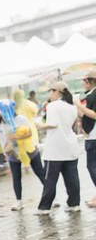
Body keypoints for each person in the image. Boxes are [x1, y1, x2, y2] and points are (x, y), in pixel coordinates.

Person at [35, 81, 81, 212]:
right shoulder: (72, 106)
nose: (50, 94)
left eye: (51, 91)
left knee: (50, 179)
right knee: (72, 178)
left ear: (57, 92)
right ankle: (74, 204)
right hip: (70, 146)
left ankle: (44, 207)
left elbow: (52, 124)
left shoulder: (53, 106)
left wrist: (39, 125)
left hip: (55, 148)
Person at [75, 69, 96, 207]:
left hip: (94, 136)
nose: (83, 83)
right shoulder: (90, 95)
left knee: (92, 167)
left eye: (85, 80)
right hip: (91, 136)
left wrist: (77, 104)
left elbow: (94, 114)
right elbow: (86, 114)